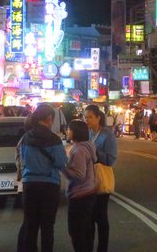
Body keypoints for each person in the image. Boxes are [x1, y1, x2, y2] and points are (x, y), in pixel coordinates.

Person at [18, 104, 68, 252]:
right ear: (49, 119)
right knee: (47, 227)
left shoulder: (26, 137)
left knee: (30, 225)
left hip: (29, 185)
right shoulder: (54, 139)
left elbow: (22, 159)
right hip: (49, 186)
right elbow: (61, 162)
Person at [84, 105, 118, 252]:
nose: (87, 120)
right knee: (89, 216)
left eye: (90, 117)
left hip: (101, 178)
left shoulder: (107, 135)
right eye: (85, 117)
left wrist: (94, 151)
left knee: (101, 216)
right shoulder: (88, 134)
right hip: (88, 180)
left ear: (98, 117)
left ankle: (102, 248)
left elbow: (111, 159)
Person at [62, 120, 97, 252]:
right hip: (88, 192)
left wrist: (63, 167)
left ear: (75, 132)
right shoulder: (88, 146)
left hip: (79, 195)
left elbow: (79, 175)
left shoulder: (79, 150)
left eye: (69, 129)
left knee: (76, 232)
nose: (67, 132)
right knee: (85, 231)